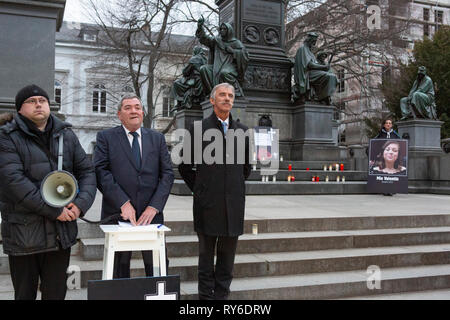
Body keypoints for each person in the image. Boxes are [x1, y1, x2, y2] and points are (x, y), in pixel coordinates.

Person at [0, 84, 96, 300]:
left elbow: (87, 172)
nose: (38, 104)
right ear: (20, 109)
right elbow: (13, 182)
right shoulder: (6, 137)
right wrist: (54, 211)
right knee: (24, 294)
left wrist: (80, 204)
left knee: (55, 294)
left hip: (60, 234)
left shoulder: (66, 135)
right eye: (31, 101)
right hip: (24, 233)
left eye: (42, 100)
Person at [178, 83, 251, 300]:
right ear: (212, 100)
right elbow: (184, 166)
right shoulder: (198, 129)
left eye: (230, 95)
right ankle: (205, 299)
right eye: (222, 95)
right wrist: (201, 189)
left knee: (227, 259)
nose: (227, 98)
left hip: (233, 205)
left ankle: (222, 298)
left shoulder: (243, 131)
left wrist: (231, 187)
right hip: (207, 205)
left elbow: (246, 168)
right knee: (206, 258)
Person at [93, 94, 174, 279]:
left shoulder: (157, 138)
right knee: (119, 269)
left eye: (137, 107)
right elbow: (101, 171)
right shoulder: (106, 137)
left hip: (151, 215)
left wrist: (154, 206)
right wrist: (123, 203)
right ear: (119, 114)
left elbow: (167, 174)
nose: (133, 111)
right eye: (128, 107)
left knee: (157, 268)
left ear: (143, 113)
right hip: (118, 214)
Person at [196, 16, 249, 97]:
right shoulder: (217, 41)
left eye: (224, 29)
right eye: (221, 29)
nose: (222, 31)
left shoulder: (236, 42)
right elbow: (205, 39)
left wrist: (233, 51)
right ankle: (214, 93)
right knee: (204, 69)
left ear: (229, 30)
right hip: (218, 66)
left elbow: (245, 55)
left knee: (224, 73)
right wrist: (200, 27)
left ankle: (235, 89)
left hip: (231, 66)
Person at [293, 32, 337, 105]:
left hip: (313, 73)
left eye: (315, 42)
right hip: (307, 74)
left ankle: (324, 97)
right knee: (330, 76)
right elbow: (309, 65)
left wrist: (325, 67)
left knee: (332, 75)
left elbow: (315, 64)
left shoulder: (310, 52)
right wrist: (323, 67)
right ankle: (323, 97)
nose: (314, 44)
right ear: (309, 40)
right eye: (313, 42)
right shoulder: (303, 49)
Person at [171, 46, 207, 110]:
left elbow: (185, 72)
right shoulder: (205, 59)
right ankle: (180, 102)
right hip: (201, 81)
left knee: (176, 83)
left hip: (195, 81)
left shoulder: (194, 59)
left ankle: (179, 102)